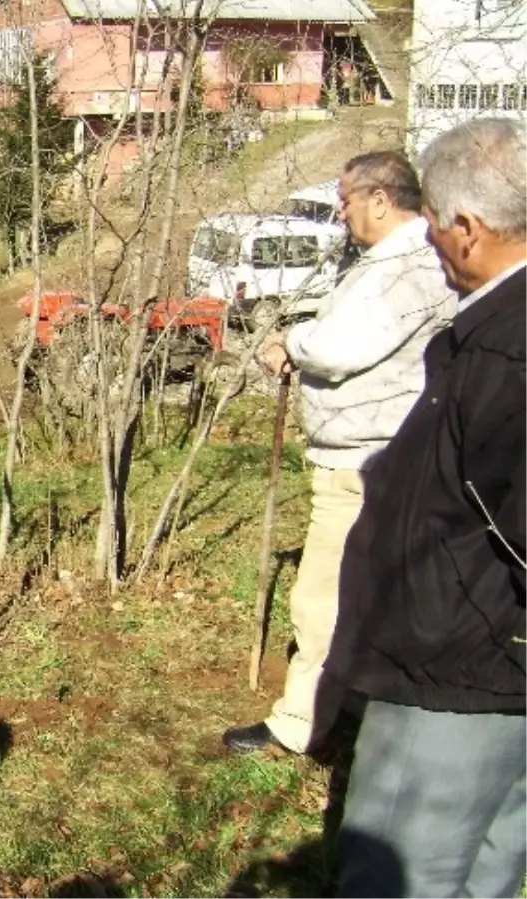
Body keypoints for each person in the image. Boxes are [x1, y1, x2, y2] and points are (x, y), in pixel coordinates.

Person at [323, 118, 527, 897]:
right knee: (484, 874)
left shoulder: (511, 352)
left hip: (459, 676)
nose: (432, 241)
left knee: (401, 877)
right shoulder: (498, 330)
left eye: (438, 225)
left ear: (469, 229)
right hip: (490, 668)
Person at [222, 150, 456, 755]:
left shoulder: (410, 265)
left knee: (322, 594)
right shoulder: (390, 260)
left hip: (366, 460)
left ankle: (300, 724)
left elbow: (342, 345)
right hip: (370, 454)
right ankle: (357, 699)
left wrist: (292, 344)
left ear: (381, 199)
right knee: (366, 589)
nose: (340, 211)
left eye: (347, 199)